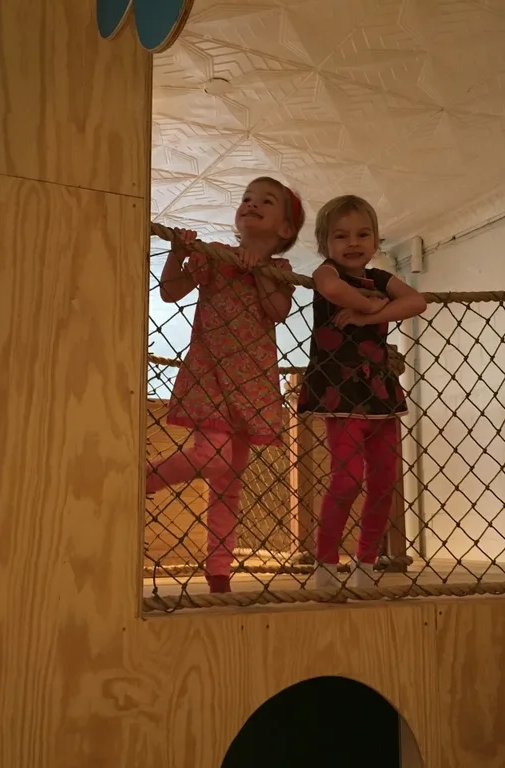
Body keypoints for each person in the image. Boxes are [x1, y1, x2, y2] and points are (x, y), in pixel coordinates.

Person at [149, 177, 305, 594]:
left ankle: (219, 571)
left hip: (251, 384)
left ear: (284, 230)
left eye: (265, 201)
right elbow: (169, 292)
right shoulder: (215, 256)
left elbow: (277, 311)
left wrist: (262, 275)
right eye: (246, 198)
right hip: (210, 375)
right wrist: (177, 254)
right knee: (212, 458)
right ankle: (144, 479)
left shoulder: (280, 270)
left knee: (229, 483)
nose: (251, 204)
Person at [297, 195, 427, 590]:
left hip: (378, 390)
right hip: (339, 387)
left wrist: (370, 311)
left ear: (375, 240)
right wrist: (372, 304)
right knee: (347, 477)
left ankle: (365, 562)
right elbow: (335, 291)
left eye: (362, 234)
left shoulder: (380, 278)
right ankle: (325, 561)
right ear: (326, 244)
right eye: (341, 236)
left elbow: (416, 301)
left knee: (385, 479)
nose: (352, 243)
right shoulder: (325, 271)